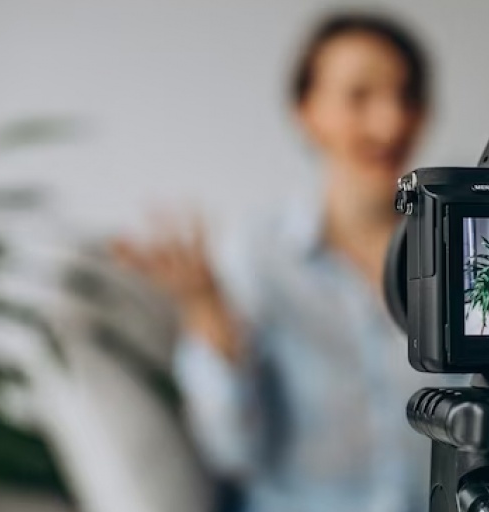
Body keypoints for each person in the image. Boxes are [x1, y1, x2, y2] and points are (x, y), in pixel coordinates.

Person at [112, 12, 453, 512]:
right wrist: (208, 318)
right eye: (359, 96)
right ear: (307, 112)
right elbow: (231, 452)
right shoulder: (258, 254)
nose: (391, 121)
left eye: (407, 96)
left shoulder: (459, 252)